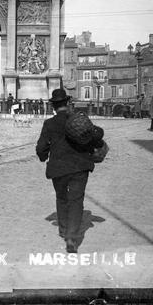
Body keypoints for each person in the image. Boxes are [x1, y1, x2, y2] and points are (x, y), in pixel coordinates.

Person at [36, 89, 96, 254]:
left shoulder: (49, 124)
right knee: (76, 200)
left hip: (59, 167)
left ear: (54, 106)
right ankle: (71, 237)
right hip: (80, 166)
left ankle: (63, 230)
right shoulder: (78, 119)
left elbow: (41, 147)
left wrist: (43, 156)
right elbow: (92, 138)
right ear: (67, 103)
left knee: (62, 198)